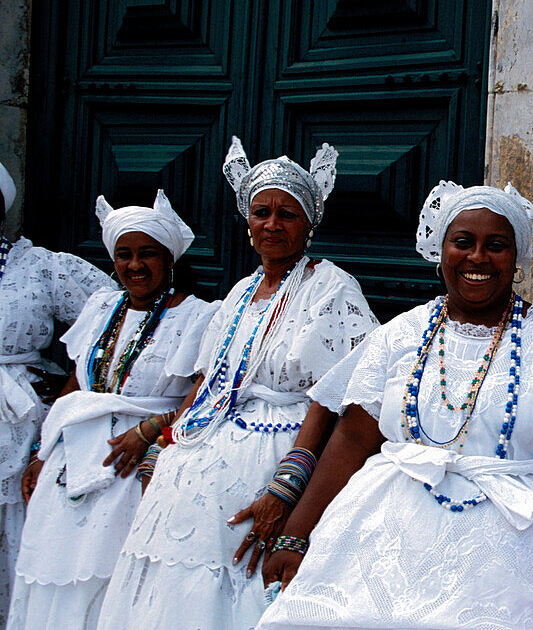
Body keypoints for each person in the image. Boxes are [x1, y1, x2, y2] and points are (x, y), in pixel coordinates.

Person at [257, 181, 533, 630]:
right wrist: (296, 532)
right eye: (463, 243)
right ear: (440, 252)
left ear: (517, 259)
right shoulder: (400, 334)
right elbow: (352, 437)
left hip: (520, 548)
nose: (478, 258)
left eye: (496, 246)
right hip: (384, 540)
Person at [96, 137, 379, 629]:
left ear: (310, 222)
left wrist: (288, 486)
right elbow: (208, 383)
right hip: (203, 454)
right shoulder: (241, 292)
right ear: (246, 222)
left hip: (276, 455)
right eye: (261, 212)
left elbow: (330, 398)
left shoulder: (332, 286)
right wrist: (163, 445)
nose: (272, 224)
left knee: (242, 583)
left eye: (287, 214)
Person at [8, 190, 218, 628]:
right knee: (55, 573)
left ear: (169, 259)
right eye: (124, 255)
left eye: (147, 254)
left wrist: (149, 432)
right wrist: (41, 454)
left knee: (112, 579)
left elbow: (204, 394)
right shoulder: (101, 307)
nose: (135, 266)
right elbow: (76, 385)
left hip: (137, 464)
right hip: (72, 456)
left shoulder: (199, 317)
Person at [0, 161, 113, 622]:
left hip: (18, 418)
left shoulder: (40, 267)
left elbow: (116, 314)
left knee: (16, 524)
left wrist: (70, 380)